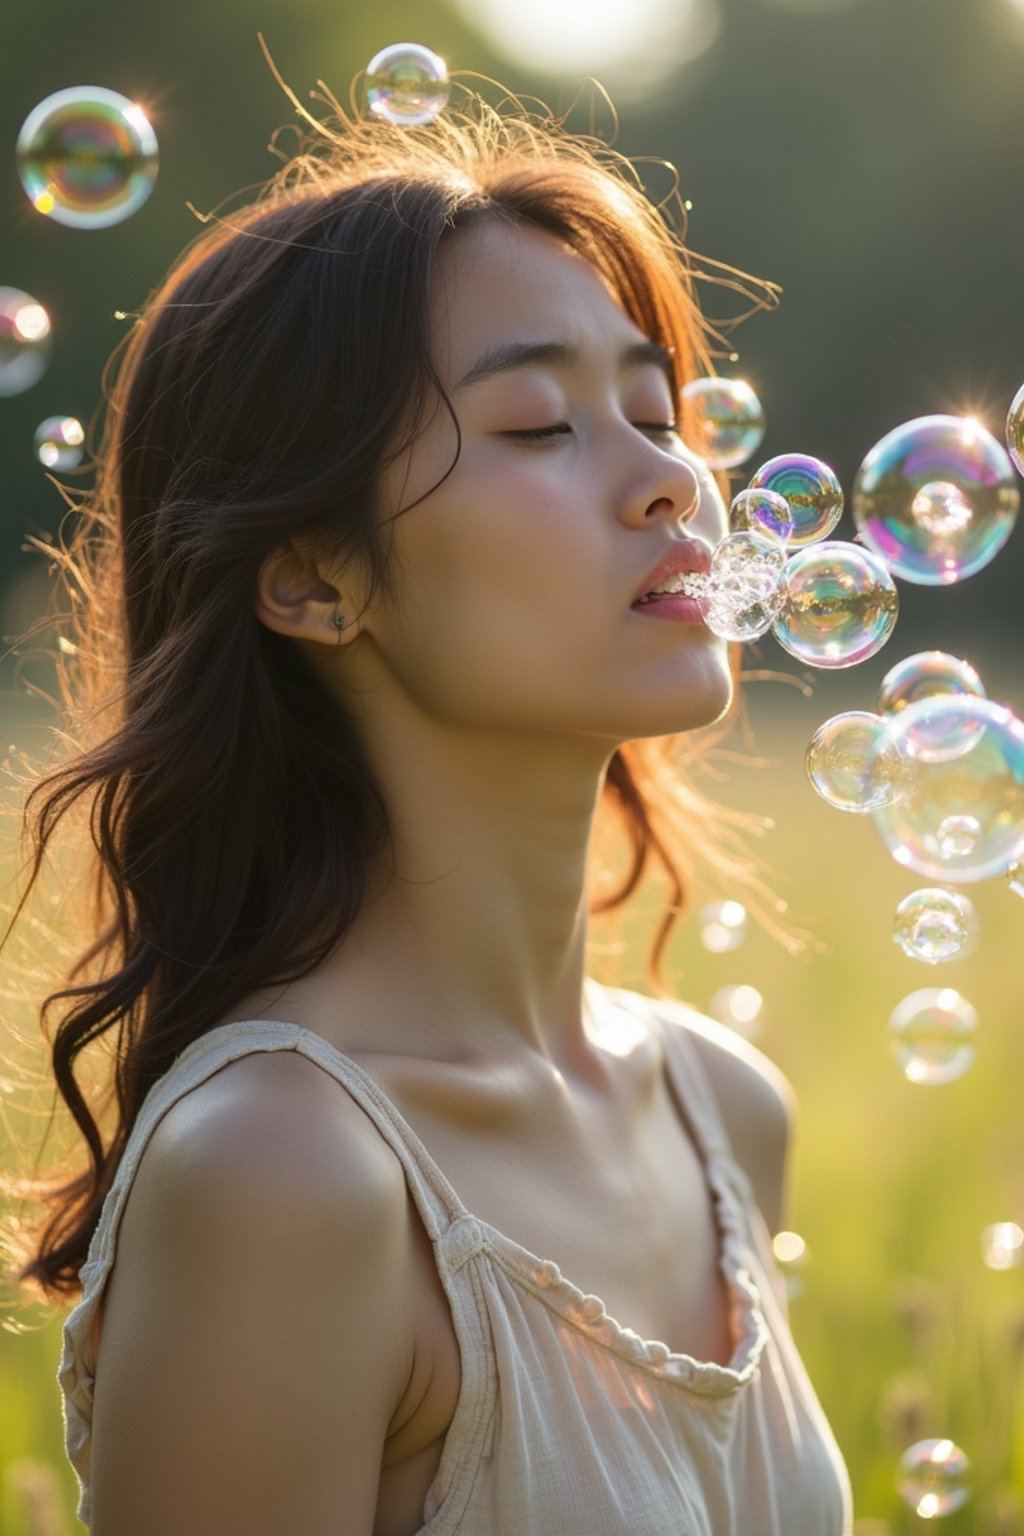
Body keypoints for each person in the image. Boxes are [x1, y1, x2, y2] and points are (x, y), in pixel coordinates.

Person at [1, 73, 853, 1535]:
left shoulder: (723, 1108)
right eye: (539, 427)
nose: (667, 480)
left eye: (657, 409)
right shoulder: (286, 1176)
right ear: (312, 579)